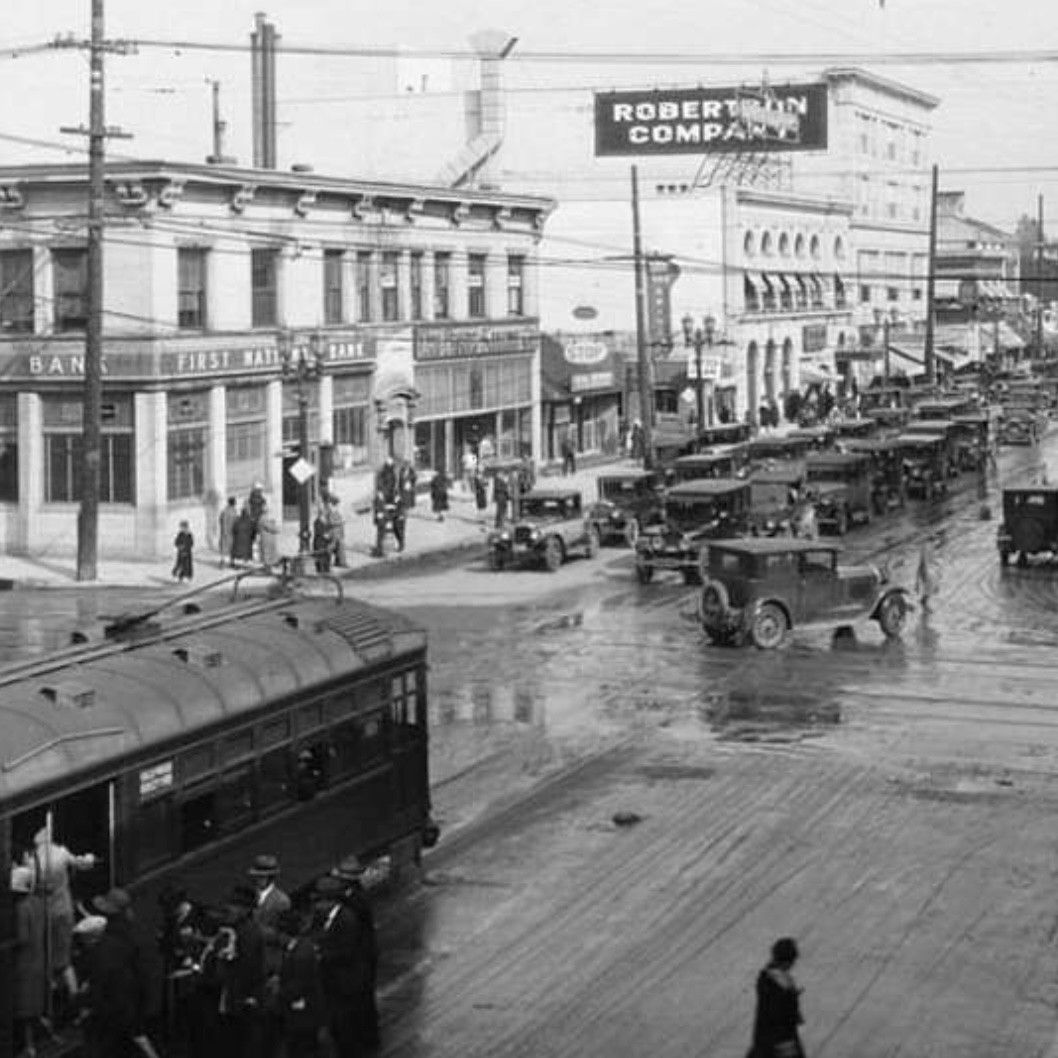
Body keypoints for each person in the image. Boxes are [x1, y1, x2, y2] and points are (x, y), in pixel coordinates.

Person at [25, 827, 97, 1005]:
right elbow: (83, 864)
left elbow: (28, 884)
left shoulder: (32, 860)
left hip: (43, 913)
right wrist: (89, 858)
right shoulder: (61, 853)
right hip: (64, 910)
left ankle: (49, 998)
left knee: (45, 957)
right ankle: (74, 997)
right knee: (64, 960)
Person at [312, 876, 370, 1058]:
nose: (317, 905)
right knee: (336, 1025)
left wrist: (321, 955)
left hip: (346, 981)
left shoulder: (347, 919)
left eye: (320, 901)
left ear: (331, 901)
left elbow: (347, 951)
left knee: (346, 1026)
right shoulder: (322, 917)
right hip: (331, 980)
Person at [330, 856, 380, 1051]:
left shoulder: (355, 901)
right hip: (364, 955)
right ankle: (368, 1038)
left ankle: (363, 1040)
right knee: (364, 999)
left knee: (361, 999)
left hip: (361, 958)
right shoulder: (356, 897)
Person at [276, 908, 327, 1058]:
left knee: (303, 1049)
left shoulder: (301, 954)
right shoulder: (301, 947)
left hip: (303, 1014)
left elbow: (299, 985)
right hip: (304, 1011)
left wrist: (278, 992)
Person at [12, 864, 51, 1058]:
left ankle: (29, 1046)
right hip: (39, 958)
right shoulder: (38, 903)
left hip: (25, 962)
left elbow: (23, 938)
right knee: (35, 1001)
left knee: (25, 1006)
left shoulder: (21, 908)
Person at [747, 937, 805, 1058]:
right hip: (781, 1042)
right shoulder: (782, 984)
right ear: (788, 961)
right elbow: (780, 1014)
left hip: (764, 1040)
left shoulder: (766, 977)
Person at [915, 539, 940, 613]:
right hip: (926, 571)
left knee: (932, 587)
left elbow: (930, 560)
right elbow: (921, 564)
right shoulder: (926, 548)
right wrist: (917, 582)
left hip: (928, 569)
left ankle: (924, 602)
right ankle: (924, 603)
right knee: (929, 588)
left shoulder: (929, 546)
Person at [326, 495, 347, 567]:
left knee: (340, 547)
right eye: (337, 504)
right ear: (334, 504)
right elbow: (331, 522)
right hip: (333, 533)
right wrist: (341, 522)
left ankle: (341, 562)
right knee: (331, 547)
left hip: (339, 532)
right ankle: (327, 562)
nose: (338, 505)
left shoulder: (336, 511)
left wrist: (341, 522)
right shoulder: (330, 512)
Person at [218, 497, 238, 568]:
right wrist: (225, 531)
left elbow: (235, 520)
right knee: (224, 547)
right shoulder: (225, 511)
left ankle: (232, 562)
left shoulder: (234, 510)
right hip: (226, 532)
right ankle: (222, 562)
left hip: (232, 532)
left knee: (232, 548)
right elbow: (223, 521)